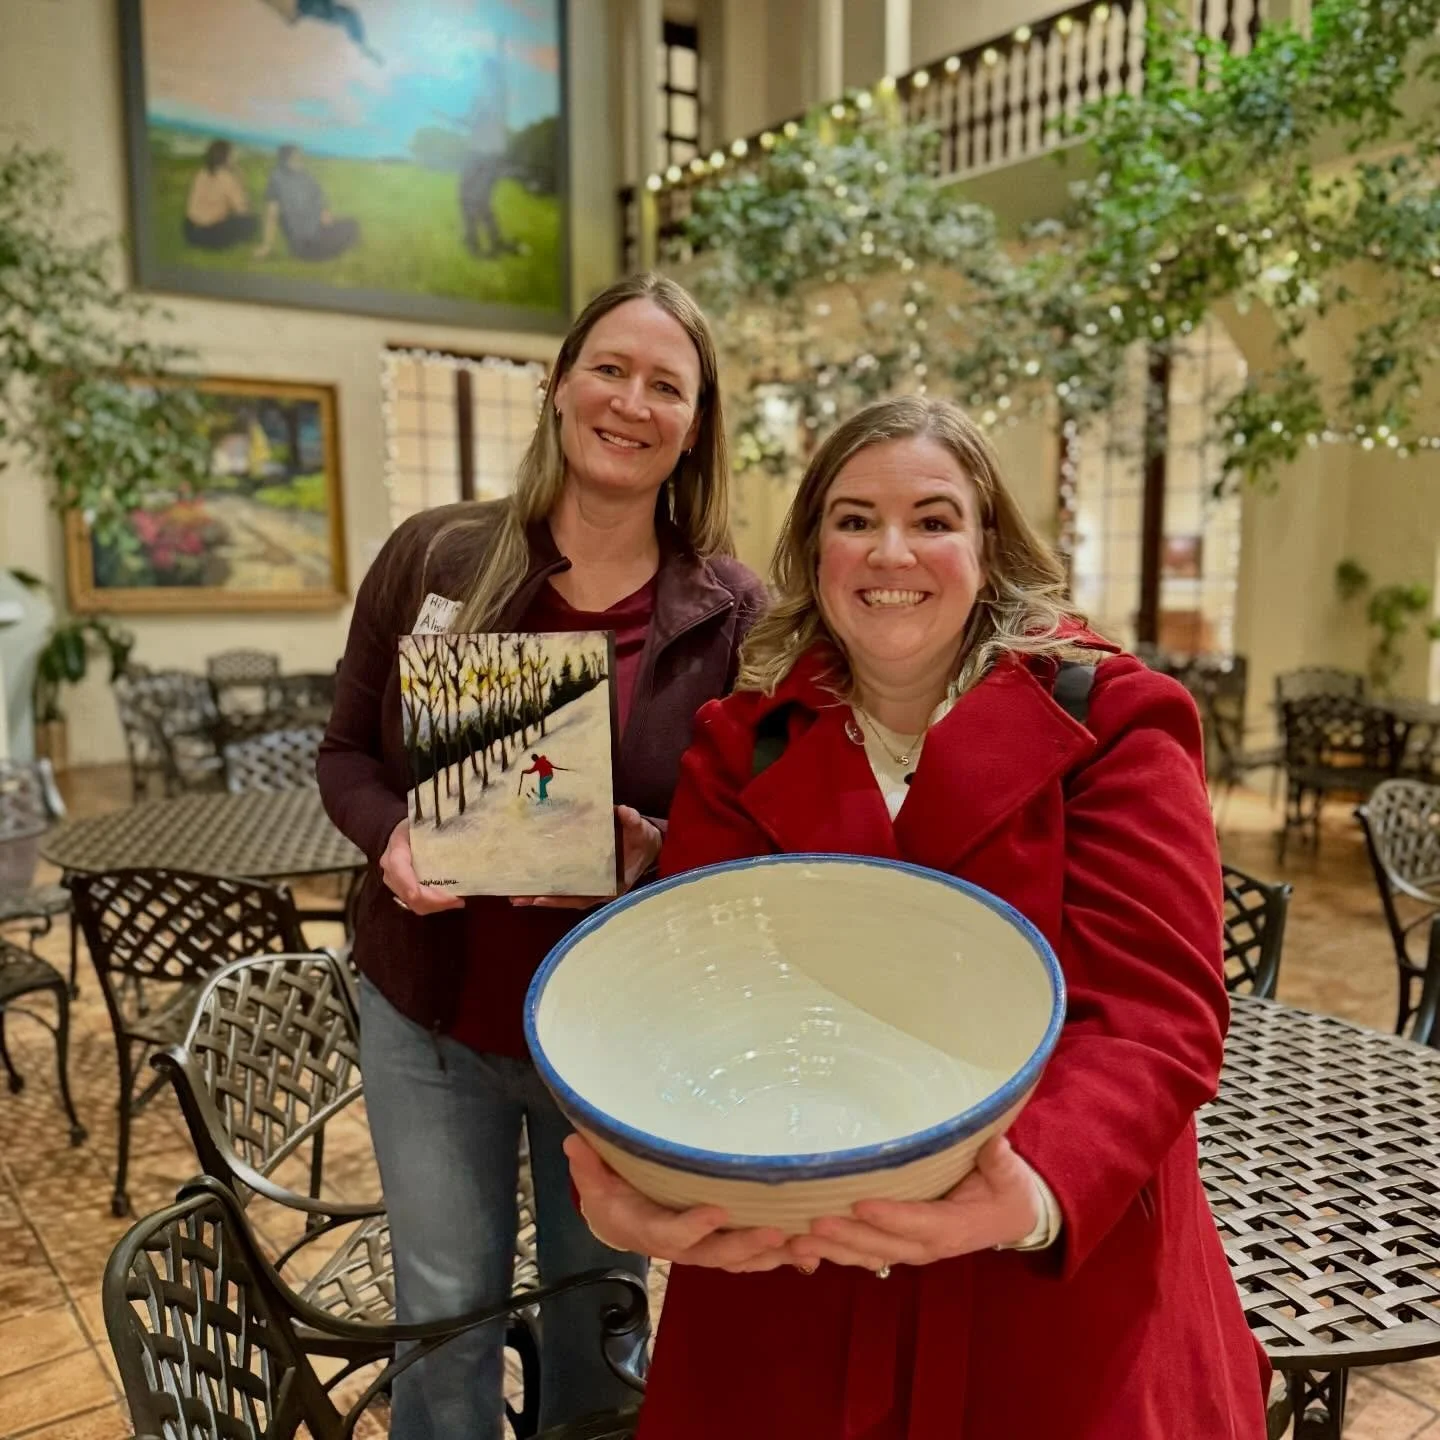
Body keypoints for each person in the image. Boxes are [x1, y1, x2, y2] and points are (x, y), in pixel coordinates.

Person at [566, 395, 1271, 1439]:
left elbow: (1154, 1018)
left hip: (1048, 1275)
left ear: (989, 547)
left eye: (934, 519)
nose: (890, 551)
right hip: (792, 1270)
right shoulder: (739, 745)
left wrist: (1028, 1194)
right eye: (853, 519)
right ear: (813, 550)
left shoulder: (1114, 723)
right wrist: (641, 1185)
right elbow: (690, 1008)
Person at [316, 272, 767, 1440]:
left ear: (698, 422)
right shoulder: (437, 560)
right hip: (430, 1013)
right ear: (558, 385)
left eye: (668, 384)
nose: (632, 400)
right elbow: (343, 759)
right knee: (448, 1318)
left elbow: (760, 836)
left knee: (601, 1315)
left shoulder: (734, 614)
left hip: (613, 1034)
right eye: (610, 368)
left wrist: (658, 849)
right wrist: (393, 836)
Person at [254, 145, 359, 262]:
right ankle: (335, 247)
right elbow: (271, 215)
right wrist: (267, 245)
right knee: (346, 233)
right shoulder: (276, 180)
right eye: (296, 157)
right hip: (303, 243)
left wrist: (324, 211)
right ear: (286, 158)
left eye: (300, 156)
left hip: (319, 230)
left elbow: (319, 198)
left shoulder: (305, 176)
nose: (300, 159)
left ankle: (338, 245)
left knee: (352, 223)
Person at [182, 141, 258, 251]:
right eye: (233, 154)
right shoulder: (227, 178)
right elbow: (242, 210)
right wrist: (241, 182)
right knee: (251, 221)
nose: (235, 156)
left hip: (190, 231)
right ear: (226, 157)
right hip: (210, 234)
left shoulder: (201, 173)